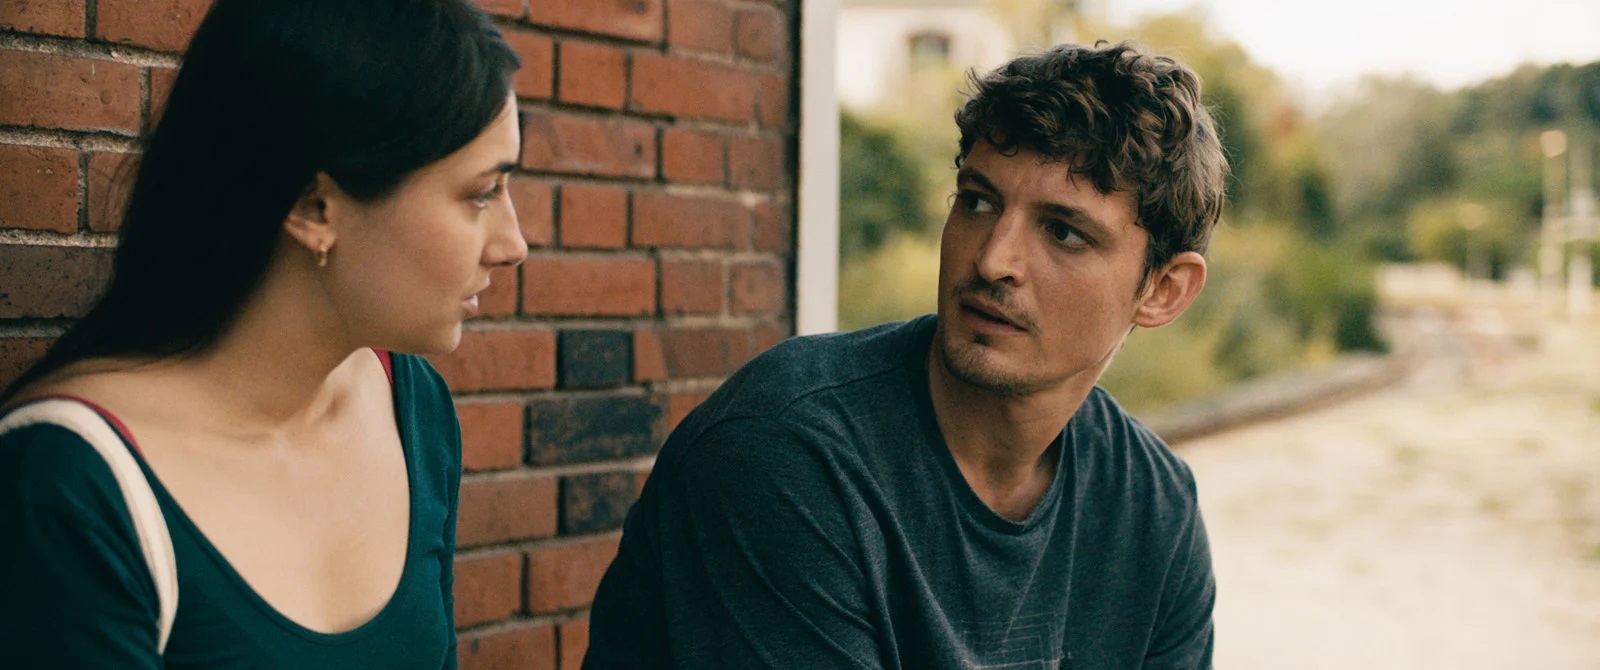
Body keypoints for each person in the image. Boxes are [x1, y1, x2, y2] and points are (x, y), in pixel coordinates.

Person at [584, 41, 1228, 669]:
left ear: (1163, 291)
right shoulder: (785, 453)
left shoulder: (1154, 510)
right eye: (978, 201)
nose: (993, 260)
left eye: (1063, 232)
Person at [0, 0, 527, 667]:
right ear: (314, 207)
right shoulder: (72, 483)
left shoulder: (413, 409)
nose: (513, 244)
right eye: (480, 194)